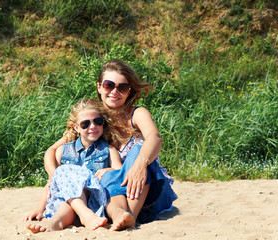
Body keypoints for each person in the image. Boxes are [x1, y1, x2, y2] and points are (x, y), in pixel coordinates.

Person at [43, 59, 177, 231]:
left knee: (138, 150)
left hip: (148, 192)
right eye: (109, 85)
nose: (115, 91)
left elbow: (155, 138)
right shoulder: (93, 119)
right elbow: (52, 150)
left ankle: (130, 217)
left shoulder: (137, 113)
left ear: (129, 91)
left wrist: (140, 164)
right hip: (112, 197)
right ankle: (120, 215)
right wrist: (54, 177)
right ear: (99, 87)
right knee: (107, 176)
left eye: (122, 87)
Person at [24, 99, 130, 233]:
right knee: (64, 191)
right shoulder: (63, 151)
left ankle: (86, 215)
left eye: (97, 121)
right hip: (70, 206)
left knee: (66, 178)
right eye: (85, 124)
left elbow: (120, 171)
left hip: (95, 201)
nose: (92, 126)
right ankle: (56, 222)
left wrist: (109, 170)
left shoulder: (108, 149)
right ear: (76, 128)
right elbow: (51, 183)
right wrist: (40, 209)